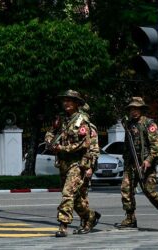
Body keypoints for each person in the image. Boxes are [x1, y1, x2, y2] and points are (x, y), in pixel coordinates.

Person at [114, 97, 158, 230]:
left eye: (137, 108)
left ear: (142, 110)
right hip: (131, 164)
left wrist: (148, 160)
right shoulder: (129, 124)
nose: (134, 111)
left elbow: (156, 145)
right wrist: (126, 160)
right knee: (126, 190)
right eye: (132, 109)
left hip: (146, 164)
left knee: (149, 191)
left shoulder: (149, 124)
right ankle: (130, 217)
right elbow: (127, 145)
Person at [45, 89, 100, 237]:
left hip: (78, 163)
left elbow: (84, 144)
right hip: (63, 163)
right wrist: (50, 140)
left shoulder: (82, 121)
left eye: (69, 100)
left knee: (67, 193)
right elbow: (50, 132)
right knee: (75, 199)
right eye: (64, 100)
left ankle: (63, 226)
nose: (66, 103)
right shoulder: (62, 119)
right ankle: (90, 216)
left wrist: (61, 148)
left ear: (77, 103)